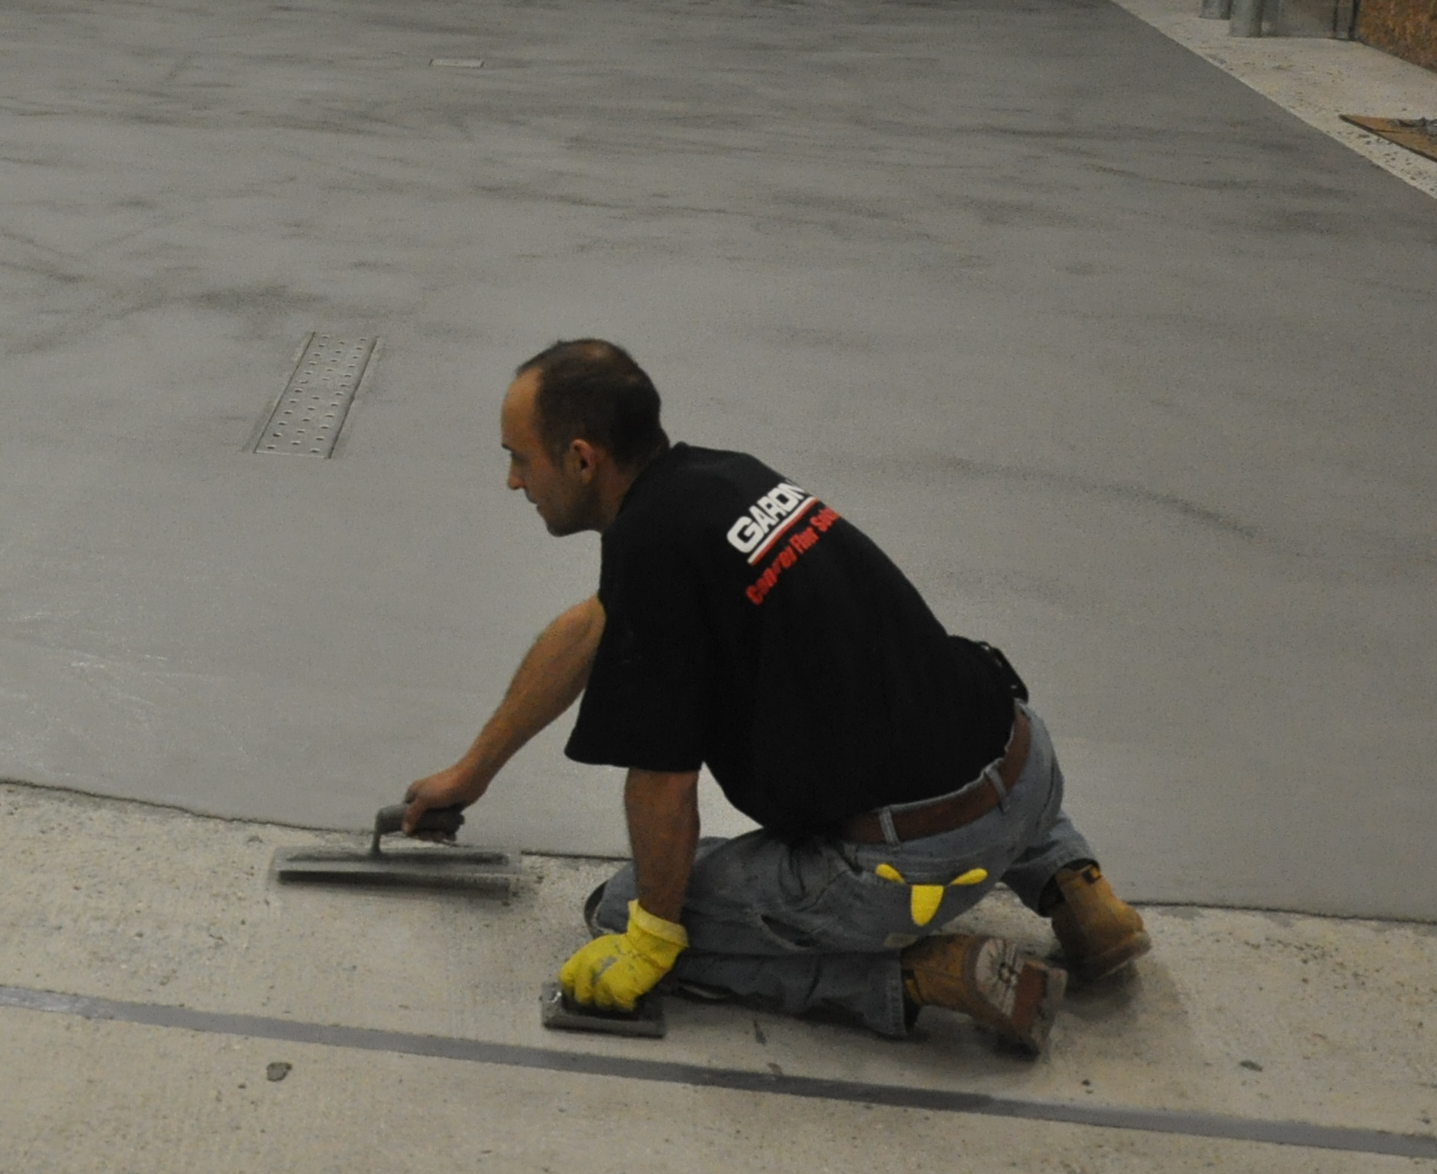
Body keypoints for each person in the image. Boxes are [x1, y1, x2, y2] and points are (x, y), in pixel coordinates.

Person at [401, 340, 1148, 1055]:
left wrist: (652, 938)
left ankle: (920, 975)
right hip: (1028, 768)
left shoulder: (655, 549)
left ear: (581, 458)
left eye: (519, 458)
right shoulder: (721, 478)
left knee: (623, 908)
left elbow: (663, 782)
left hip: (911, 866)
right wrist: (473, 773)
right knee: (926, 693)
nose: (514, 482)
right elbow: (595, 623)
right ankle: (1079, 891)